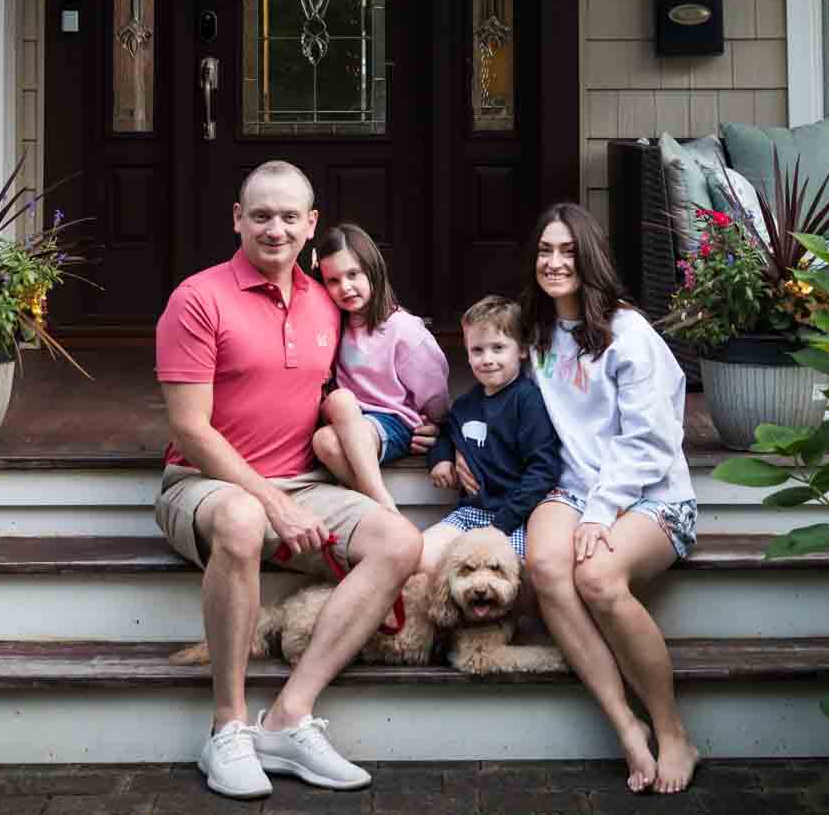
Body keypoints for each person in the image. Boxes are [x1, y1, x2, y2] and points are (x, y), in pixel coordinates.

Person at [153, 161, 423, 800]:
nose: (274, 229)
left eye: (288, 216)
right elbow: (191, 430)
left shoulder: (325, 300)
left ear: (311, 225)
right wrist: (269, 499)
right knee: (243, 520)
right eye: (261, 214)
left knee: (401, 543)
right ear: (238, 219)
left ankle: (289, 717)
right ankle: (228, 728)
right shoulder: (198, 298)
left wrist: (432, 425)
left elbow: (378, 367)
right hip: (201, 484)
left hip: (302, 483)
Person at [523, 202, 700, 794]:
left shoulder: (627, 333)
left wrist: (601, 512)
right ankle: (626, 725)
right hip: (573, 488)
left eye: (567, 252)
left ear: (590, 258)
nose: (554, 263)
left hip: (650, 494)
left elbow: (651, 442)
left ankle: (673, 731)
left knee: (596, 577)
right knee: (545, 564)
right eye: (545, 251)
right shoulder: (538, 333)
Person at [310, 223, 451, 513]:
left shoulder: (403, 329)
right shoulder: (335, 323)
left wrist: (437, 423)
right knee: (324, 441)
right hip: (349, 419)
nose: (345, 287)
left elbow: (433, 387)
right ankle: (376, 503)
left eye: (353, 274)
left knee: (340, 400)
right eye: (333, 280)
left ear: (373, 269)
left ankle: (381, 504)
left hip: (394, 421)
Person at [422, 294, 561, 570]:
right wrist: (441, 458)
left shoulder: (527, 400)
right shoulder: (466, 405)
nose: (487, 359)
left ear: (521, 350)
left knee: (508, 576)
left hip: (517, 518)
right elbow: (446, 433)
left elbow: (543, 469)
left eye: (498, 348)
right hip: (470, 513)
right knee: (421, 558)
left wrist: (501, 525)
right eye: (477, 350)